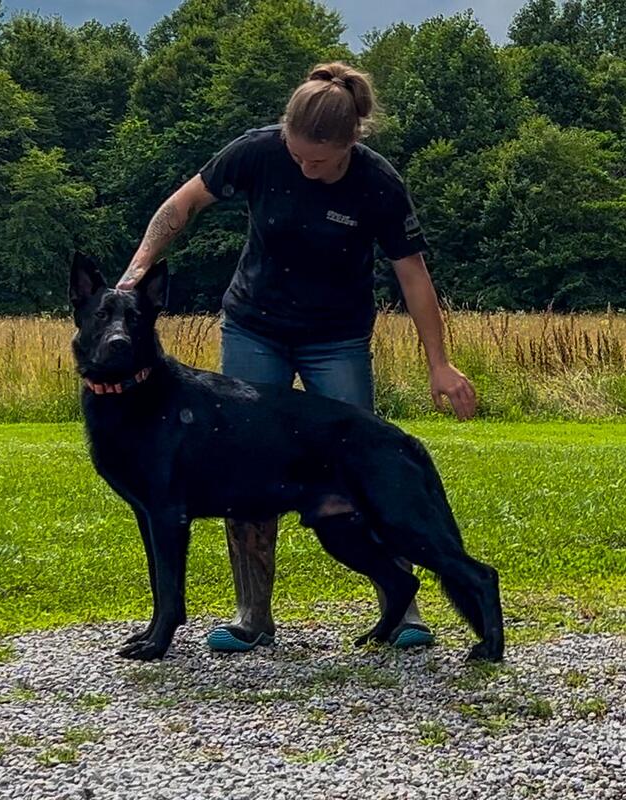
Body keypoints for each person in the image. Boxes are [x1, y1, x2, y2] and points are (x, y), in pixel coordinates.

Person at [117, 62, 476, 653]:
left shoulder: (377, 185)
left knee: (362, 467)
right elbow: (180, 205)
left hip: (336, 339)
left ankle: (402, 609)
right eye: (298, 155)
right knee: (242, 465)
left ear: (351, 143)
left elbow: (413, 275)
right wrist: (138, 266)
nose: (306, 168)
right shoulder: (257, 152)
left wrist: (439, 362)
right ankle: (253, 615)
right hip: (254, 327)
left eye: (320, 162)